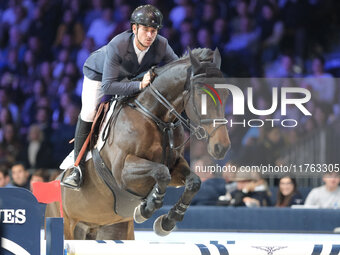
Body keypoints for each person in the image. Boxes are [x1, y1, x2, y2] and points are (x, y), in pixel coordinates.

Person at [62, 4, 178, 189]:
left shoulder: (162, 44)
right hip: (100, 76)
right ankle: (77, 168)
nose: (150, 35)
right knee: (89, 112)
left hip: (130, 76)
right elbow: (109, 86)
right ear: (134, 28)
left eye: (154, 31)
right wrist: (140, 85)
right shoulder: (118, 44)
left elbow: (176, 69)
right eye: (146, 30)